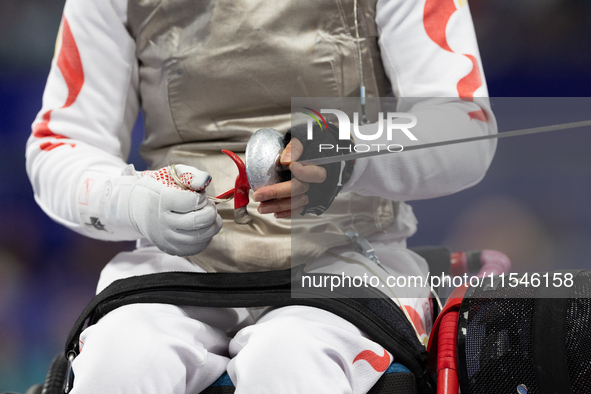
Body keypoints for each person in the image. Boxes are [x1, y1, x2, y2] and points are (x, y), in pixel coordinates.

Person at [26, 0, 497, 393]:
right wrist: (129, 201)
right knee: (120, 362)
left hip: (347, 263)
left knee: (289, 360)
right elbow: (60, 143)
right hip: (175, 270)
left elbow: (464, 127)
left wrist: (350, 152)